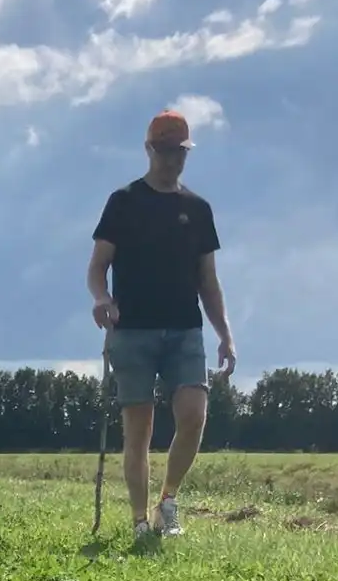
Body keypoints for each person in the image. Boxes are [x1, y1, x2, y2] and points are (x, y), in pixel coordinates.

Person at [86, 109, 236, 545]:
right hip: (132, 331)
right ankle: (138, 521)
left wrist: (225, 334)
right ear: (150, 149)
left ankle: (167, 502)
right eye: (167, 150)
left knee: (193, 416)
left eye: (181, 151)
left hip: (185, 330)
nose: (175, 160)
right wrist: (102, 298)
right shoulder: (124, 202)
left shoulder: (198, 209)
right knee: (140, 430)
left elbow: (209, 281)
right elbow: (97, 267)